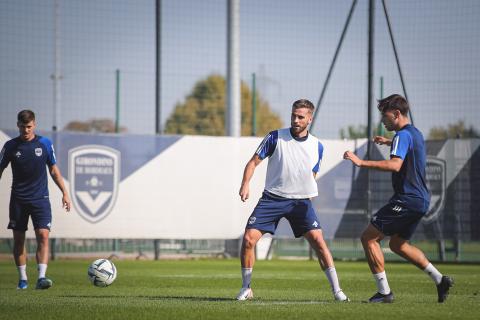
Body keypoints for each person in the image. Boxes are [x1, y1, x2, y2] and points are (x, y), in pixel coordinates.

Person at [343, 94, 454, 303]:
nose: (382, 121)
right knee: (398, 245)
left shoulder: (403, 136)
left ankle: (384, 293)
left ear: (396, 114)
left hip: (407, 199)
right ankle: (440, 279)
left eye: (385, 117)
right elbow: (409, 147)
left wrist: (360, 162)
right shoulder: (414, 133)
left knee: (368, 238)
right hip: (421, 200)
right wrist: (388, 141)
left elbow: (395, 165)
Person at [236, 99, 349, 302]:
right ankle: (246, 288)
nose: (295, 120)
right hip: (272, 199)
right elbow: (253, 163)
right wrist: (245, 184)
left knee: (319, 243)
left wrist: (305, 191)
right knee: (248, 240)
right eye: (293, 116)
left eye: (300, 117)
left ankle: (338, 291)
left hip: (300, 203)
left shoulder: (317, 146)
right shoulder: (275, 137)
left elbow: (312, 174)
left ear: (309, 119)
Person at [0, 110, 71, 290]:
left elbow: (54, 171)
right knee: (18, 240)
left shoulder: (45, 144)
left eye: (29, 126)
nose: (26, 130)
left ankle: (41, 277)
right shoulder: (10, 146)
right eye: (23, 126)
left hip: (40, 199)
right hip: (18, 200)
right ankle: (23, 280)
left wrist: (65, 192)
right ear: (18, 125)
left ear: (35, 125)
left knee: (43, 235)